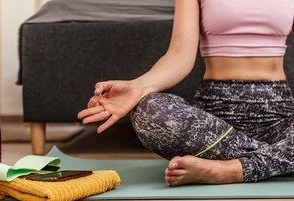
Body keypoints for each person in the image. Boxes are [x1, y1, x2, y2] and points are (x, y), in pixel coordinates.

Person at [77, 0, 294, 187]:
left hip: (280, 119)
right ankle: (279, 159)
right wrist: (138, 87)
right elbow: (179, 55)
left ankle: (232, 170)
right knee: (149, 111)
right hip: (212, 125)